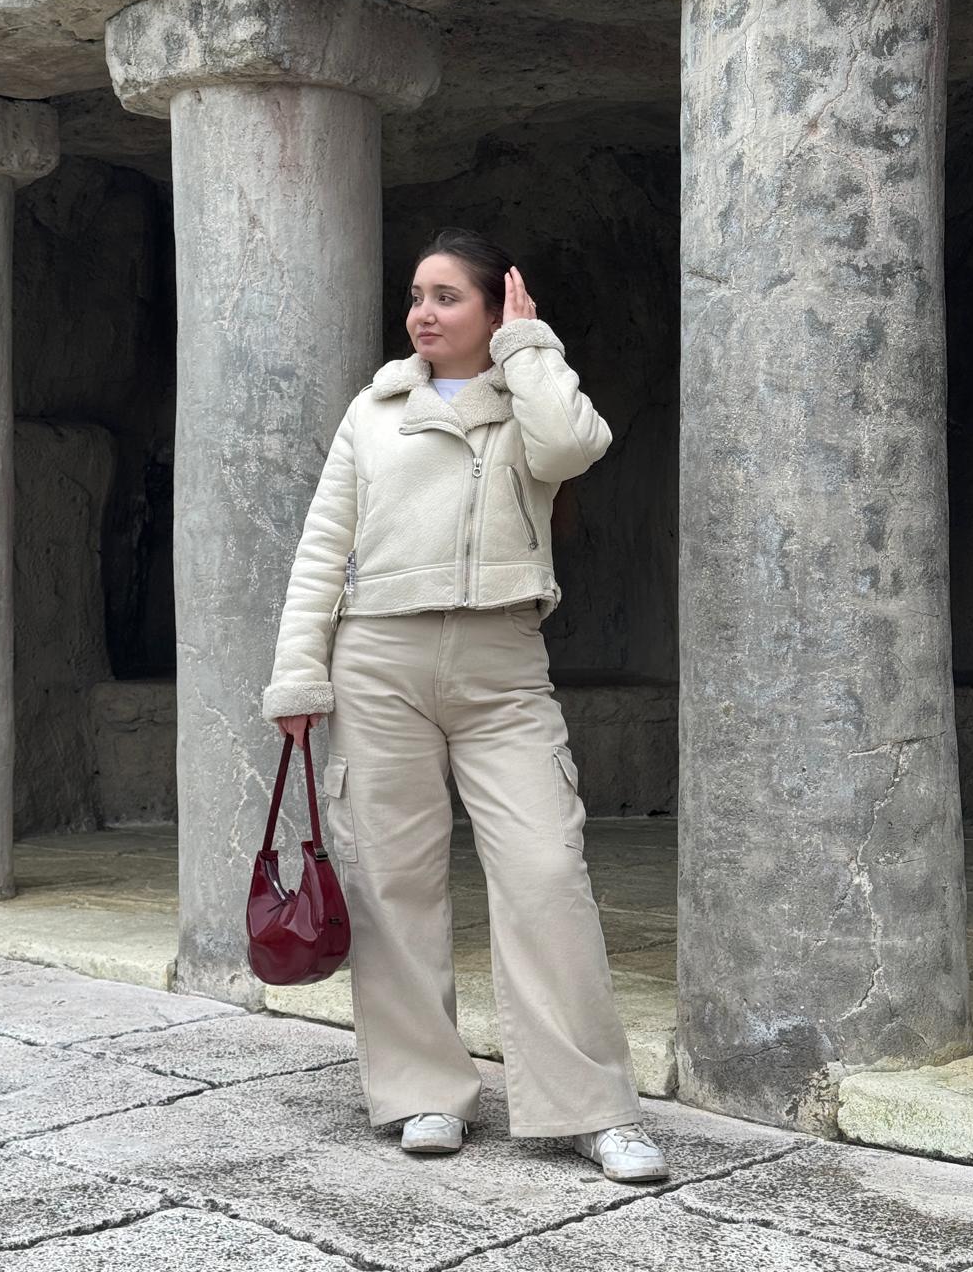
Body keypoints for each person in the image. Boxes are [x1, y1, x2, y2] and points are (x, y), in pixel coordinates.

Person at [261, 226, 668, 1183]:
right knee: (391, 880)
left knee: (546, 872)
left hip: (502, 664)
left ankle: (593, 1109)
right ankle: (422, 1093)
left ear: (496, 307)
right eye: (416, 296)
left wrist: (530, 347)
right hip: (378, 660)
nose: (423, 313)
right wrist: (298, 675)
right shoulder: (374, 409)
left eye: (447, 297)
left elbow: (576, 445)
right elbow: (322, 548)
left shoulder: (529, 399)